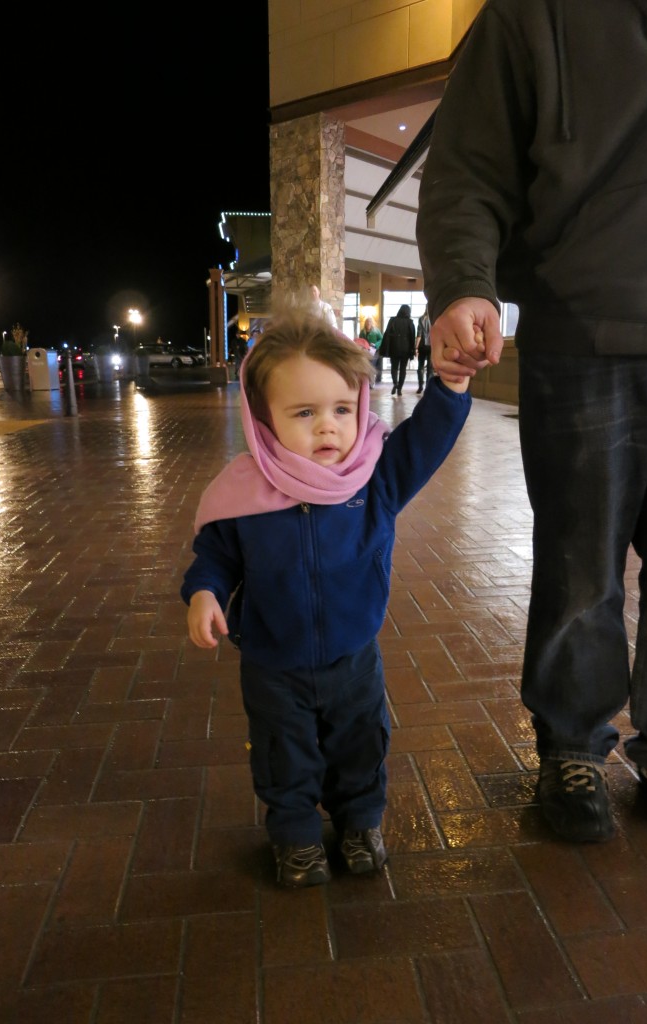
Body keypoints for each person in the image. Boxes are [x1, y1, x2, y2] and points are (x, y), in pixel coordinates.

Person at [416, 0, 647, 848]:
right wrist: (464, 282)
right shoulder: (533, 12)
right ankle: (572, 747)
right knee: (580, 563)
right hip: (581, 329)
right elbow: (469, 164)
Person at [181, 309, 471, 887]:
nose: (328, 429)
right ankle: (295, 838)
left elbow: (425, 442)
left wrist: (454, 385)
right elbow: (216, 555)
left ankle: (361, 823)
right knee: (282, 754)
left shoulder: (375, 480)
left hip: (353, 657)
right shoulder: (244, 491)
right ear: (264, 418)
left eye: (342, 409)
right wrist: (204, 593)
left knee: (360, 746)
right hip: (272, 663)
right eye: (305, 413)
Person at [381, 304, 415, 396]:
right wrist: (413, 351)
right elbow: (412, 337)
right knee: (403, 369)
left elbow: (387, 334)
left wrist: (385, 348)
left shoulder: (392, 320)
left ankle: (395, 383)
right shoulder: (410, 322)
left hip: (394, 348)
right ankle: (399, 389)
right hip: (406, 349)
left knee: (394, 368)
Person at [359, 315, 384, 382]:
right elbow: (360, 340)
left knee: (373, 364)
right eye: (367, 322)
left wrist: (375, 345)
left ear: (372, 323)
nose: (368, 324)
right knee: (367, 364)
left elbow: (381, 339)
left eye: (369, 322)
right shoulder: (362, 332)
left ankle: (374, 380)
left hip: (375, 350)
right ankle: (369, 380)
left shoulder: (376, 331)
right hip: (366, 350)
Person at [415, 307, 433, 395]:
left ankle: (420, 386)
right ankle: (428, 388)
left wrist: (416, 347)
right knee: (430, 368)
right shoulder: (435, 318)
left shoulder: (421, 319)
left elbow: (419, 334)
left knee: (420, 367)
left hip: (422, 346)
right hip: (432, 347)